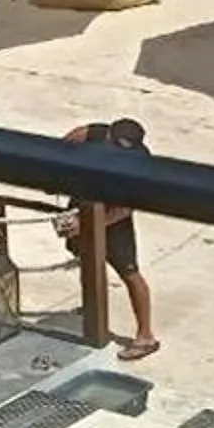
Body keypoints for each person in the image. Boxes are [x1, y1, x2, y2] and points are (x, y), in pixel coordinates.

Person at [59, 117, 158, 360]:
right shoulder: (91, 134)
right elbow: (61, 148)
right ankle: (92, 306)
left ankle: (146, 336)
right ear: (108, 136)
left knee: (130, 273)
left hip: (114, 218)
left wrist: (88, 224)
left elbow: (126, 209)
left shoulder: (141, 163)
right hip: (85, 200)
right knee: (85, 255)